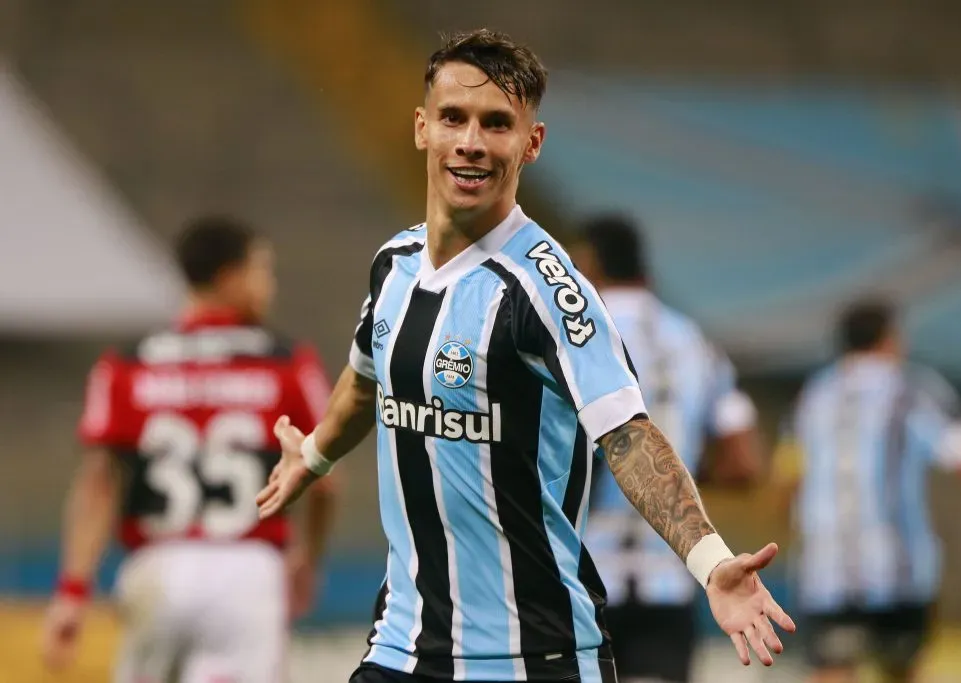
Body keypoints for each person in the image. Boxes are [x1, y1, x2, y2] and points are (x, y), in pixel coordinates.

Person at [256, 29, 795, 683]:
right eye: (454, 117)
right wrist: (311, 457)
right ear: (423, 127)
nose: (472, 142)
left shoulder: (547, 289)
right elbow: (365, 381)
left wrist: (710, 560)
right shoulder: (393, 265)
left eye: (497, 124)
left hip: (531, 656)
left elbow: (626, 434)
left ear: (530, 143)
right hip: (403, 646)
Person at [42, 216, 338, 683]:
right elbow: (325, 483)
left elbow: (99, 483)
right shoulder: (287, 364)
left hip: (156, 566)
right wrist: (308, 559)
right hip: (248, 570)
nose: (269, 285)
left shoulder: (126, 365)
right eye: (262, 270)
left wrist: (73, 588)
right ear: (230, 276)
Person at [781, 299, 961, 683]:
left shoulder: (815, 395)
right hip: (895, 571)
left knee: (831, 672)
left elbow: (790, 478)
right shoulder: (909, 389)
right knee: (901, 672)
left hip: (826, 570)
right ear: (890, 339)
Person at [570, 214, 764, 683]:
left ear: (590, 261)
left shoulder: (571, 331)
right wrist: (682, 471)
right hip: (673, 571)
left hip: (580, 572)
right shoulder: (696, 343)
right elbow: (744, 463)